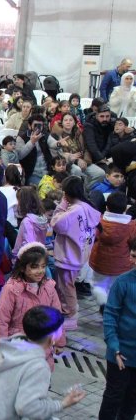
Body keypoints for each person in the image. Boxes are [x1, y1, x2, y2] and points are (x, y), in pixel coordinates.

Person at [0, 306, 86, 420]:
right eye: (60, 329)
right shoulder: (38, 366)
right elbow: (27, 407)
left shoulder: (8, 345)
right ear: (51, 337)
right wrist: (63, 403)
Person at [51, 176, 100, 331]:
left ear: (68, 192)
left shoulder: (75, 209)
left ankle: (71, 316)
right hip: (78, 254)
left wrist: (61, 205)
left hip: (68, 255)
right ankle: (67, 312)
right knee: (66, 286)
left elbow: (57, 224)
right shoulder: (86, 207)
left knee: (66, 287)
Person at [98, 236, 136, 419]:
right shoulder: (123, 282)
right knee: (113, 398)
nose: (133, 260)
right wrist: (114, 347)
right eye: (133, 255)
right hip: (120, 354)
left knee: (131, 401)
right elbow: (110, 315)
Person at [89, 192, 136, 308]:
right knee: (116, 287)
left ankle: (103, 303)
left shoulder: (99, 221)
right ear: (126, 208)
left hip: (99, 261)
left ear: (107, 207)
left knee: (97, 285)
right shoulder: (131, 226)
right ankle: (112, 307)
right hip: (122, 264)